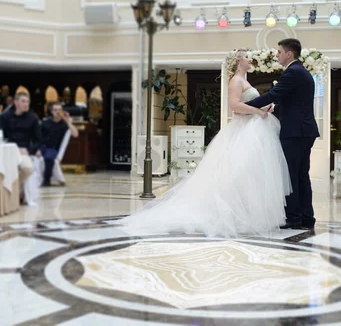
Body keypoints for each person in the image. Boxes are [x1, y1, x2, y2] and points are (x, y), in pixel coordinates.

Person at [119, 49, 291, 238]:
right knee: (238, 173)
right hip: (244, 130)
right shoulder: (236, 81)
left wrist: (263, 107)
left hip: (252, 128)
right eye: (247, 57)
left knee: (250, 174)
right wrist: (258, 111)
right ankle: (235, 215)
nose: (251, 60)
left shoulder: (245, 80)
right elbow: (235, 106)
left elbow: (247, 103)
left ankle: (249, 214)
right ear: (239, 61)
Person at [245, 38, 320, 231]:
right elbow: (292, 100)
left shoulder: (293, 72)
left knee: (291, 175)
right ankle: (306, 217)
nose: (276, 55)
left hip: (295, 132)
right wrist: (275, 107)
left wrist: (246, 106)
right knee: (301, 176)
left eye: (279, 52)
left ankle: (294, 218)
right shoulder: (300, 71)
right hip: (304, 131)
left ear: (289, 54)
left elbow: (273, 94)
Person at [0, 92, 41, 205]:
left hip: (23, 150)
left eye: (27, 102)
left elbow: (38, 140)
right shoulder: (4, 117)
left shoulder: (33, 119)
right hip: (7, 149)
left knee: (28, 168)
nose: (26, 104)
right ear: (15, 102)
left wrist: (29, 150)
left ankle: (13, 187)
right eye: (23, 101)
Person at [40, 102, 79, 186]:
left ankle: (47, 180)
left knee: (49, 157)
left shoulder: (64, 124)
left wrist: (68, 121)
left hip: (52, 148)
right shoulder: (45, 122)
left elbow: (75, 134)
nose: (57, 112)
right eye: (55, 110)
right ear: (51, 111)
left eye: (59, 110)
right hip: (41, 147)